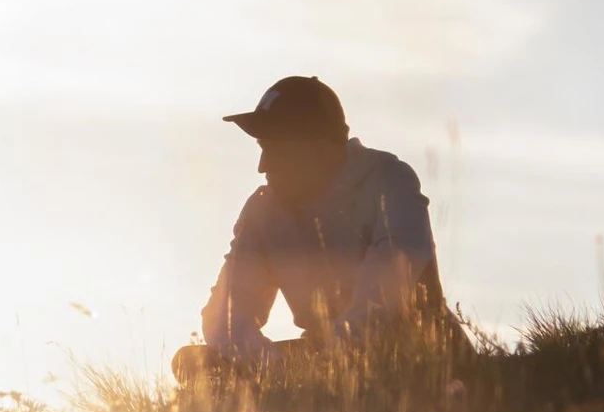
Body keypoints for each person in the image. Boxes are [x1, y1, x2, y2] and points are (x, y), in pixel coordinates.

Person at [173, 75, 466, 385]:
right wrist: (278, 371)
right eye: (262, 147)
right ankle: (283, 403)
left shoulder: (389, 180)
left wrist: (327, 364)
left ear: (320, 147)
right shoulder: (262, 211)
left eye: (276, 149)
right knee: (190, 361)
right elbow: (224, 318)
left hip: (422, 354)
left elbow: (388, 284)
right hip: (322, 360)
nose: (263, 165)